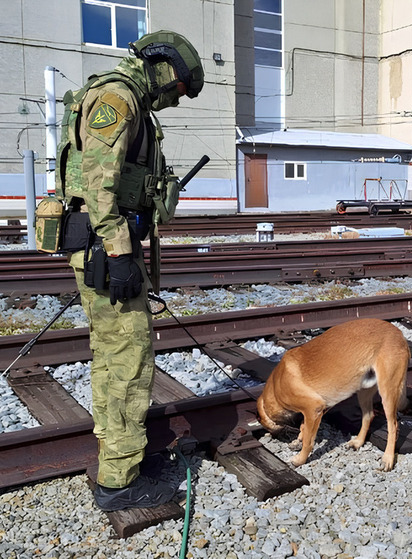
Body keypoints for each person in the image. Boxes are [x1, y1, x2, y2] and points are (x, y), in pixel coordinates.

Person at [55, 30, 204, 511]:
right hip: (106, 249)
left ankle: (125, 460)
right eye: (178, 88)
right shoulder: (119, 97)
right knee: (126, 361)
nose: (174, 100)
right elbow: (100, 181)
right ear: (162, 68)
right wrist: (120, 252)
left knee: (116, 356)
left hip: (106, 244)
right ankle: (119, 482)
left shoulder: (126, 97)